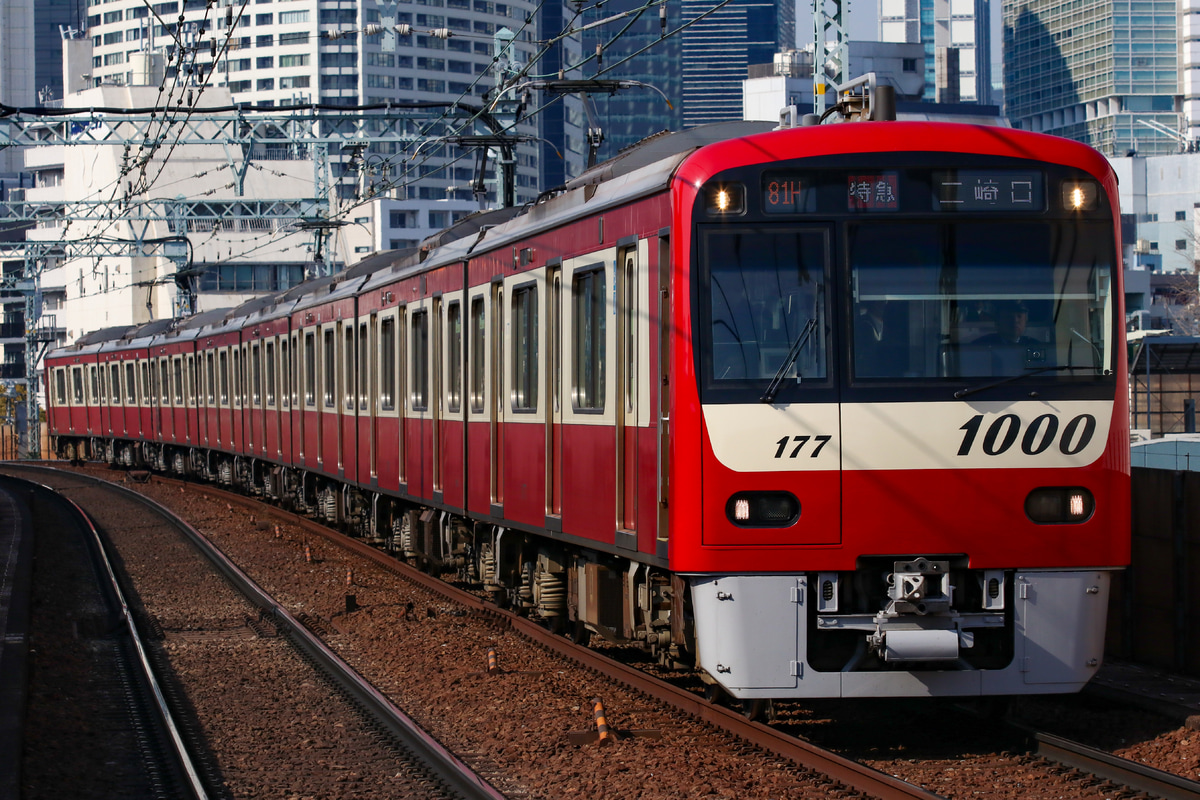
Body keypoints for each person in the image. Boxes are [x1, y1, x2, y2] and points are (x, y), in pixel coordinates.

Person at [971, 300, 1045, 374]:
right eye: (1008, 317)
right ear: (997, 322)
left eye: (1019, 316)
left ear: (1026, 321)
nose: (1015, 320)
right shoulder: (980, 346)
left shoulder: (1036, 346)